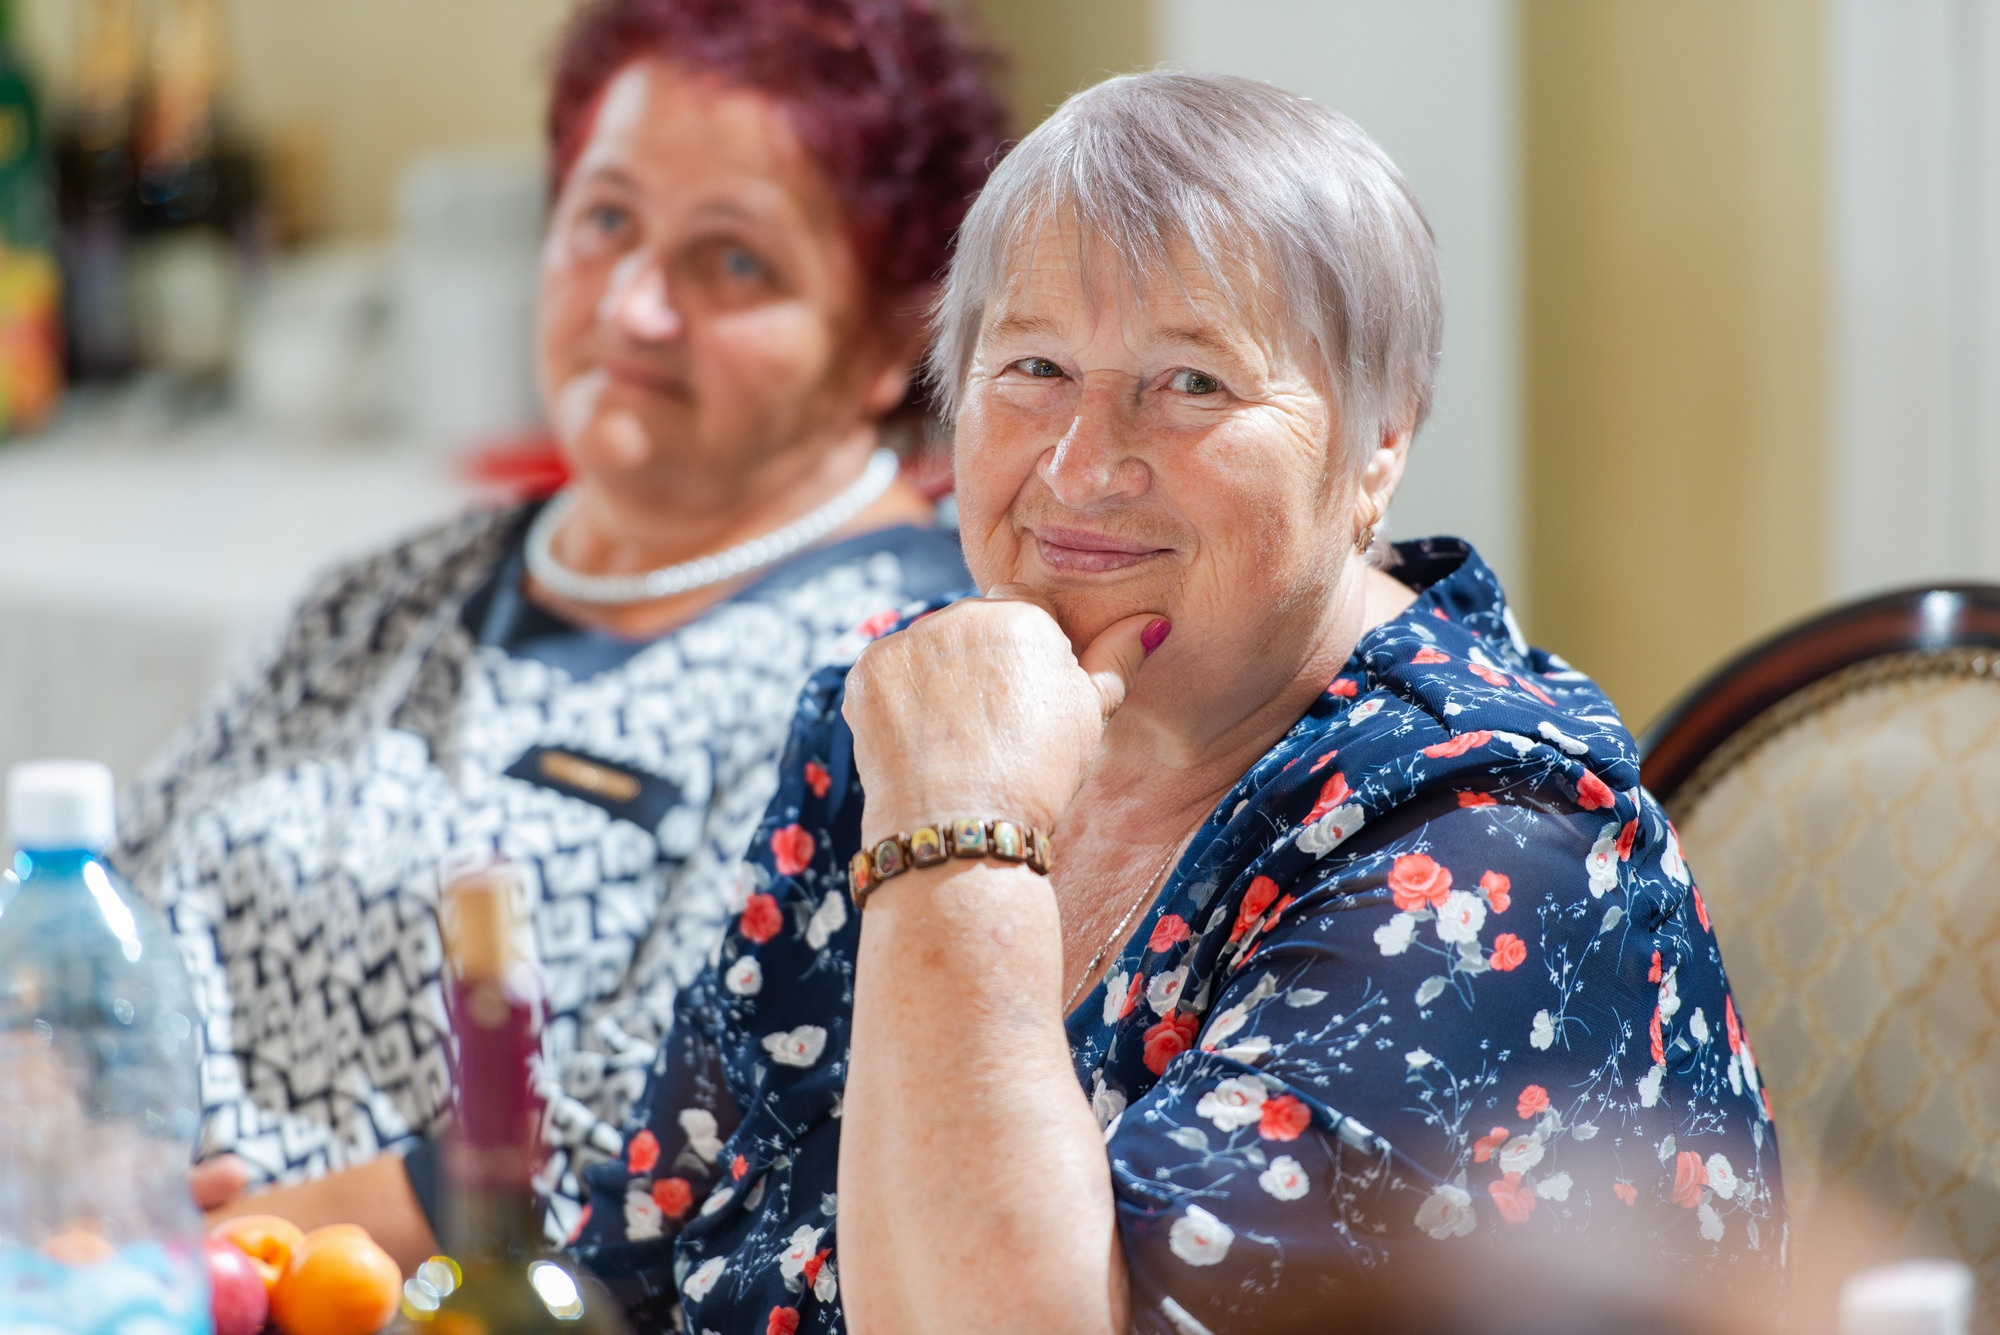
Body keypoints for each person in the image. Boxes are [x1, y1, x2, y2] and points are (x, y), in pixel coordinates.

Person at [569, 70, 1785, 1333]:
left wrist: (961, 836)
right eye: (1033, 367)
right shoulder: (903, 716)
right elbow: (641, 1261)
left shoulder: (1494, 847)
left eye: (1192, 383)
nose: (1082, 464)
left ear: (1379, 442)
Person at [115, 0, 1006, 1265]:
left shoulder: (901, 671)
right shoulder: (388, 592)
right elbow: (102, 914)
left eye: (733, 261)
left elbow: (663, 1145)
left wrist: (213, 1247)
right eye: (604, 221)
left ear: (884, 340)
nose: (634, 306)